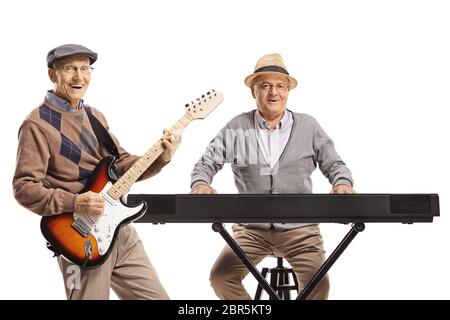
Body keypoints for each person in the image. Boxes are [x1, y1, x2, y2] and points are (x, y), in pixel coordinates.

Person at [13, 44, 180, 300]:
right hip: (78, 237)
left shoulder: (95, 116)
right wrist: (76, 201)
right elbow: (24, 188)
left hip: (119, 230)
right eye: (69, 69)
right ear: (51, 74)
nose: (79, 77)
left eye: (84, 69)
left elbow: (121, 164)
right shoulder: (36, 124)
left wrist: (162, 157)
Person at [190, 53, 355, 300]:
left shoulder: (309, 126)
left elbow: (335, 165)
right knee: (221, 277)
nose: (273, 93)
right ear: (253, 91)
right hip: (251, 230)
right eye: (265, 85)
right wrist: (201, 184)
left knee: (319, 285)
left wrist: (342, 183)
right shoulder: (237, 127)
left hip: (301, 231)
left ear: (288, 91)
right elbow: (205, 163)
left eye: (280, 86)